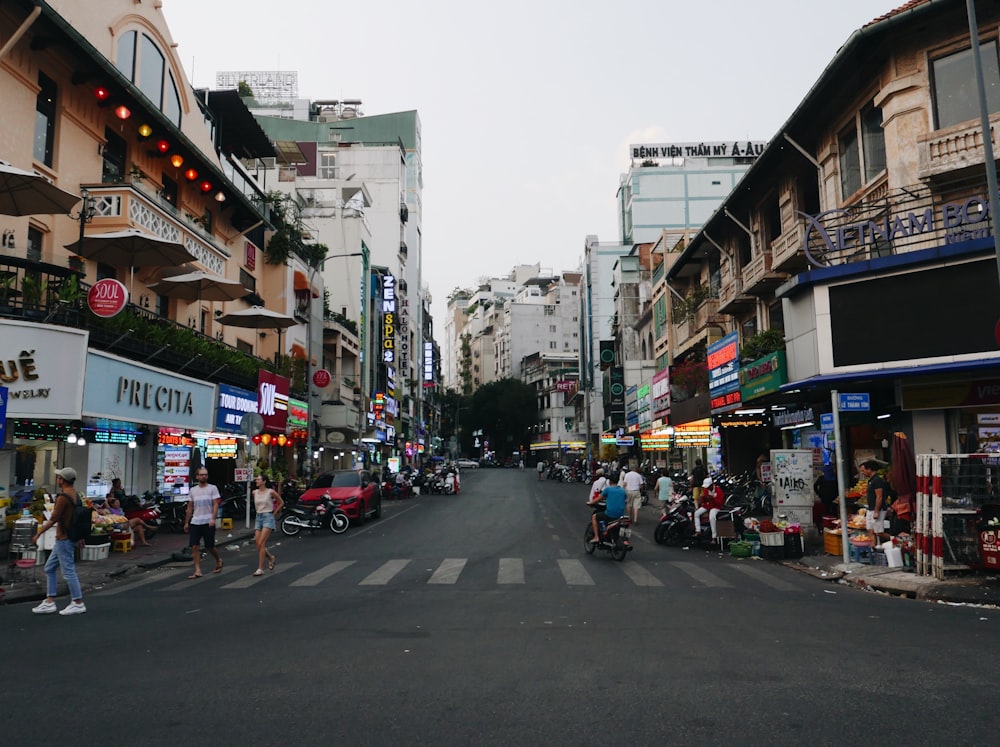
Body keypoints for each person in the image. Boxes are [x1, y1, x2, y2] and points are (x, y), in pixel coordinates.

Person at [31, 467, 86, 615]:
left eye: (59, 477)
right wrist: (80, 537)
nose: (57, 479)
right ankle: (50, 601)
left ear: (62, 480)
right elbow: (78, 518)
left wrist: (38, 534)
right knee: (49, 568)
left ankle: (78, 602)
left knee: (68, 572)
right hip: (68, 537)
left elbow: (53, 519)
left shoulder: (63, 497)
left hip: (64, 539)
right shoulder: (76, 495)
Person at [183, 468, 223, 579]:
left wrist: (213, 519)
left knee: (209, 546)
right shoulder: (193, 490)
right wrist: (187, 522)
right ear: (197, 477)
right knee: (195, 546)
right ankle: (197, 570)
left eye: (205, 474)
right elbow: (190, 507)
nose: (203, 476)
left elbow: (215, 504)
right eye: (201, 475)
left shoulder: (212, 488)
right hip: (195, 521)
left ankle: (218, 559)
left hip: (208, 521)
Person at [252, 474, 284, 576]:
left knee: (261, 543)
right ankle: (270, 557)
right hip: (258, 517)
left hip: (267, 517)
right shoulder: (255, 492)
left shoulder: (270, 492)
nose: (256, 481)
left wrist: (274, 514)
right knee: (258, 544)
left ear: (264, 481)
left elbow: (281, 502)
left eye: (258, 479)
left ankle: (260, 568)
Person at [587, 471, 626, 543]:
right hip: (621, 515)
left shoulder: (608, 489)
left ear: (610, 482)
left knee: (595, 517)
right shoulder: (622, 491)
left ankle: (596, 537)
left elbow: (598, 499)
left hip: (610, 514)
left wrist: (590, 503)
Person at [859, 460, 889, 542]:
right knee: (870, 530)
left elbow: (879, 496)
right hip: (870, 509)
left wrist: (876, 511)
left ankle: (897, 541)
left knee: (879, 532)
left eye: (863, 470)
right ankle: (872, 549)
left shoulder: (877, 480)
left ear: (869, 469)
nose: (862, 473)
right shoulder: (871, 481)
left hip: (877, 509)